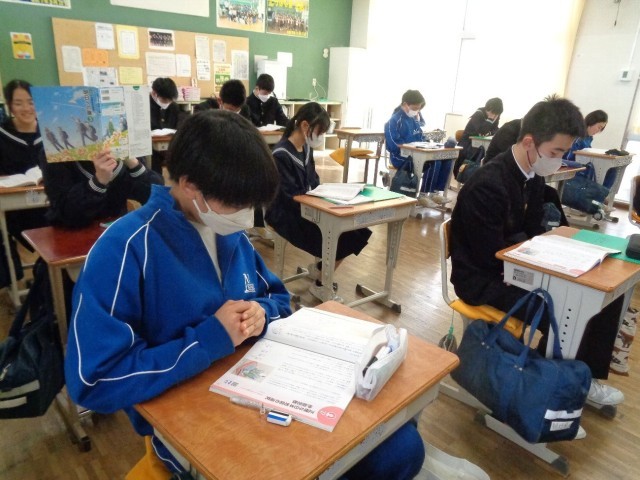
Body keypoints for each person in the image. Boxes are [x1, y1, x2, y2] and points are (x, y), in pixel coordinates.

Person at [65, 110, 424, 480]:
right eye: (237, 205)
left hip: (264, 390)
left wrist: (260, 312)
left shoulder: (228, 233)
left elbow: (279, 300)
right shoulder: (125, 249)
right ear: (189, 185)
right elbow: (94, 381)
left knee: (402, 448)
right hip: (194, 424)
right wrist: (209, 339)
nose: (247, 218)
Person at [450, 97, 625, 422]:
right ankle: (547, 391)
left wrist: (555, 257)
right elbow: (491, 257)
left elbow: (532, 233)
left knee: (601, 299)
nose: (558, 160)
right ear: (530, 142)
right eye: (556, 152)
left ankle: (581, 378)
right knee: (565, 306)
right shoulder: (488, 184)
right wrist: (547, 270)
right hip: (482, 278)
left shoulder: (531, 176)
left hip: (516, 266)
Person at [265, 102, 372, 302]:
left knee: (358, 231)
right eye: (320, 131)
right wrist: (317, 205)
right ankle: (321, 284)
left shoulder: (306, 149)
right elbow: (288, 197)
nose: (321, 136)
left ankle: (322, 270)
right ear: (305, 126)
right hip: (287, 215)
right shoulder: (281, 154)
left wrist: (329, 197)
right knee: (340, 236)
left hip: (309, 208)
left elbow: (313, 181)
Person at [0, 79, 50, 287]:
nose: (26, 108)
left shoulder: (50, 130)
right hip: (15, 207)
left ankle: (47, 271)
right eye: (18, 103)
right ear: (10, 106)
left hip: (50, 201)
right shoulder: (3, 134)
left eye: (31, 102)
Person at [41, 146, 164, 228]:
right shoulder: (54, 152)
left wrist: (134, 164)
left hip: (114, 232)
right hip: (70, 235)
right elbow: (67, 214)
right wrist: (98, 182)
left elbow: (156, 197)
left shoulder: (122, 151)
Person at [485, 115, 569, 228]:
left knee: (550, 193)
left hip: (523, 174)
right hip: (503, 175)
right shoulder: (509, 131)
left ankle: (563, 230)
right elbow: (513, 162)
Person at [384, 89, 450, 208]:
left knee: (446, 160)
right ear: (405, 104)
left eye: (419, 109)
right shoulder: (394, 121)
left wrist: (429, 145)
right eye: (415, 108)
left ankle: (434, 192)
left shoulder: (414, 120)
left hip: (419, 154)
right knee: (434, 163)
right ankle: (423, 195)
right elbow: (393, 145)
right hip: (400, 157)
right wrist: (412, 148)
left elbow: (420, 137)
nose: (417, 111)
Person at [453, 97, 503, 178]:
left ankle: (482, 177)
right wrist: (490, 119)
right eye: (493, 113)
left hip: (481, 143)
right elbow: (482, 130)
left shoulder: (496, 115)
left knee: (492, 154)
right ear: (488, 109)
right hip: (468, 142)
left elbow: (495, 129)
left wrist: (490, 132)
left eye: (496, 114)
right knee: (480, 155)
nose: (495, 116)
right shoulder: (478, 114)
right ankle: (468, 176)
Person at [149, 77, 181, 173]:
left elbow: (178, 125)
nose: (167, 103)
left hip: (169, 145)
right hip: (151, 149)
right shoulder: (144, 105)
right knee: (154, 169)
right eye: (164, 100)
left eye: (170, 100)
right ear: (154, 93)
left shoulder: (173, 106)